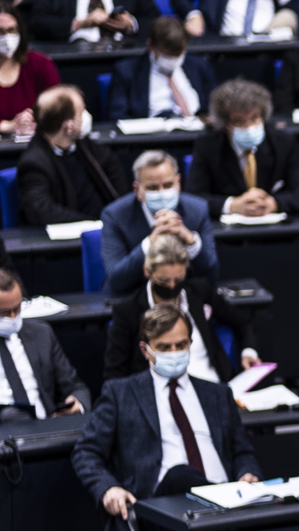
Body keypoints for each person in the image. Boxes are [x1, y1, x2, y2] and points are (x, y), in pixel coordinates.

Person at [71, 304, 260, 518]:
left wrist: (247, 473)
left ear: (191, 343)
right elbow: (86, 451)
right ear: (145, 350)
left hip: (228, 500)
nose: (174, 353)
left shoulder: (218, 394)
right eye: (164, 347)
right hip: (158, 510)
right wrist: (108, 488)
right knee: (179, 475)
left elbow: (242, 451)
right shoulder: (120, 394)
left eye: (181, 345)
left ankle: (227, 518)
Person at [104, 236, 257, 383]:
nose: (171, 286)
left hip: (213, 385)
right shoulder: (127, 312)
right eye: (163, 281)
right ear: (147, 271)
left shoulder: (200, 292)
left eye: (178, 280)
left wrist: (248, 351)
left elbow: (241, 321)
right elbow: (115, 374)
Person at [187, 78, 299, 218]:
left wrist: (273, 204)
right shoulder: (207, 146)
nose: (249, 127)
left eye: (254, 118)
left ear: (263, 116)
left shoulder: (282, 142)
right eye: (239, 121)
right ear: (225, 125)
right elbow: (194, 198)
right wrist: (232, 205)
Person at [102, 149, 218, 294]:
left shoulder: (197, 210)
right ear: (137, 189)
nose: (162, 192)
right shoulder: (115, 215)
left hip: (181, 297)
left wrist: (190, 241)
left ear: (178, 182)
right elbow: (116, 279)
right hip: (133, 300)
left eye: (168, 185)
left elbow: (211, 275)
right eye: (152, 188)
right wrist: (150, 242)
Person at [16, 85, 130, 226]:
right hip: (72, 238)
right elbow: (41, 210)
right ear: (69, 126)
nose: (86, 117)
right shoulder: (34, 163)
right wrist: (92, 223)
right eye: (81, 112)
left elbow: (115, 178)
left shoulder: (85, 145)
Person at [0, 267, 87, 423]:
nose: (13, 317)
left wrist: (77, 403)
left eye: (18, 309)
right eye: (5, 313)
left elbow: (76, 387)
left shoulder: (41, 333)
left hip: (48, 430)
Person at [105, 16, 216, 122]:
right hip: (149, 139)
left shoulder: (199, 65)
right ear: (151, 46)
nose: (173, 60)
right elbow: (118, 116)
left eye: (178, 55)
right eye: (167, 55)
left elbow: (214, 109)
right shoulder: (126, 71)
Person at [0, 5, 60, 139]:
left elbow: (57, 106)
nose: (7, 38)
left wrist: (33, 121)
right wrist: (8, 126)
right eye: (0, 32)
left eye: (12, 30)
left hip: (37, 143)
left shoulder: (40, 64)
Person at [185, 0, 299, 38]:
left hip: (266, 47)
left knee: (288, 16)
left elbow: (298, 8)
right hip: (222, 47)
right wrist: (193, 15)